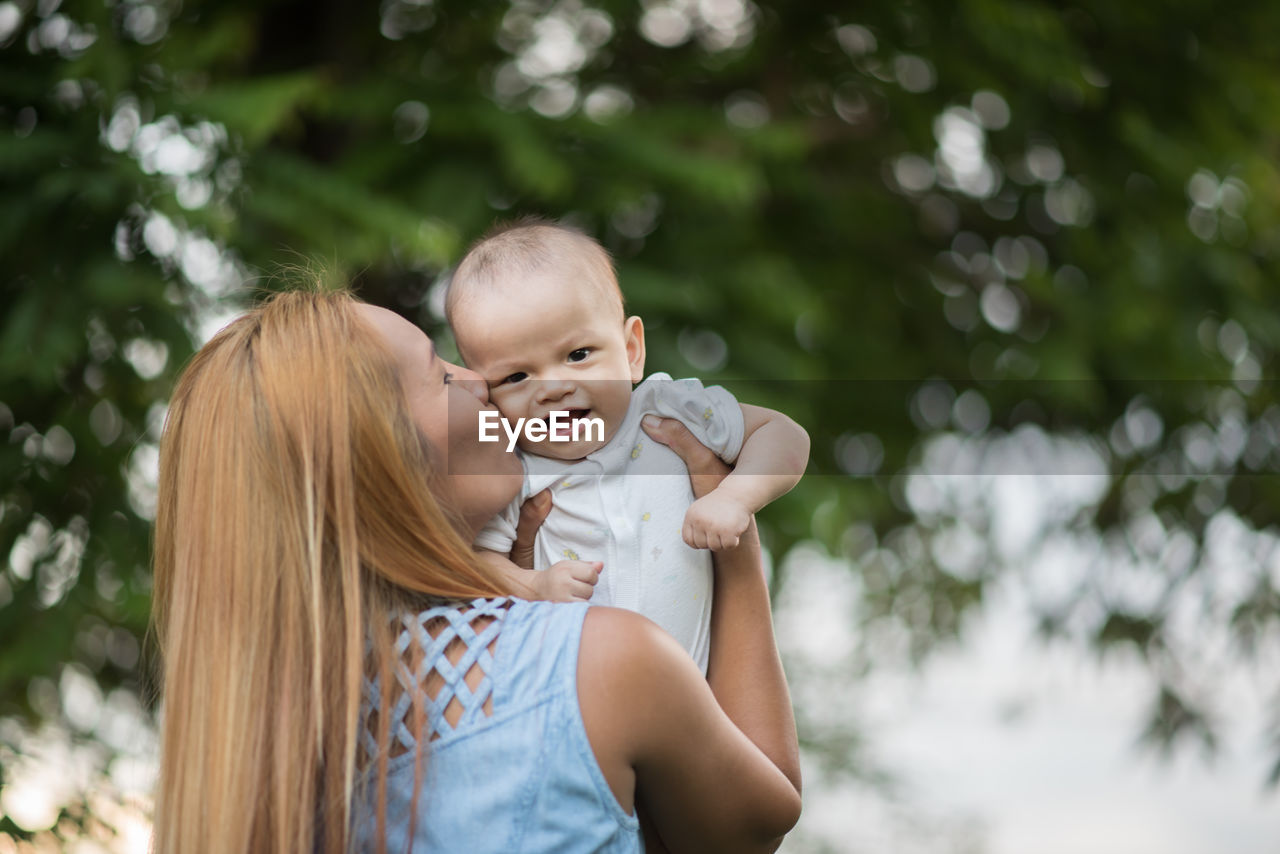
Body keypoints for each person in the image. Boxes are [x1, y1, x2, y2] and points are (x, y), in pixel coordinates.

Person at [150, 287, 801, 853]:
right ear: (383, 466)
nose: (479, 381)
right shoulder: (597, 663)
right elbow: (761, 820)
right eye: (440, 376)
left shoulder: (257, 749)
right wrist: (731, 549)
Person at [447, 219, 809, 672]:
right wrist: (534, 586)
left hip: (696, 703)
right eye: (516, 377)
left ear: (631, 349)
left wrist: (736, 497)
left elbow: (784, 435)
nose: (554, 388)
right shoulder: (513, 468)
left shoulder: (670, 410)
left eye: (578, 355)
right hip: (590, 709)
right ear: (487, 392)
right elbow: (477, 562)